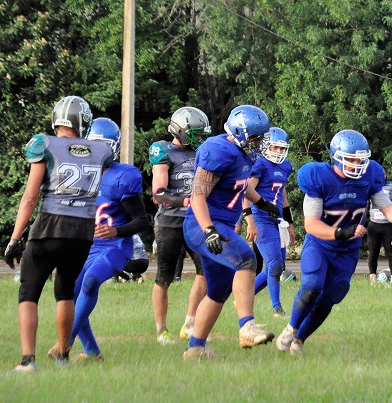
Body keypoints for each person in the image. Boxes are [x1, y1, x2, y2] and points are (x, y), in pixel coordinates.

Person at [275, 130, 392, 355]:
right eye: (352, 159)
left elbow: (387, 208)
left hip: (347, 251)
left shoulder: (369, 176)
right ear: (336, 157)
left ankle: (300, 339)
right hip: (321, 245)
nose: (357, 165)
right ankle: (291, 327)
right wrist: (341, 233)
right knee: (312, 285)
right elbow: (312, 225)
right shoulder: (318, 177)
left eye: (361, 160)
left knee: (333, 295)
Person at [5, 96, 112, 373]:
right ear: (83, 121)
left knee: (29, 292)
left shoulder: (45, 144)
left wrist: (15, 238)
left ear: (57, 120)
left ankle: (28, 360)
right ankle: (63, 355)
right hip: (82, 232)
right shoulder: (101, 150)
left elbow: (30, 198)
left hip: (50, 226)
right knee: (65, 292)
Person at [181, 105, 281, 360]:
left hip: (218, 224)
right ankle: (247, 327)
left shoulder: (242, 153)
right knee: (247, 259)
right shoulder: (219, 150)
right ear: (240, 132)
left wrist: (260, 203)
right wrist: (209, 230)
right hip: (203, 224)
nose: (259, 143)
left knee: (218, 290)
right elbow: (198, 195)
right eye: (256, 137)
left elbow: (240, 184)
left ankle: (195, 348)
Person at [54, 118, 149, 361]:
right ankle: (93, 353)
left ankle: (64, 346)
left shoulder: (123, 176)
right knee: (71, 294)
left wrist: (117, 231)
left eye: (104, 146)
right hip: (87, 244)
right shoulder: (80, 173)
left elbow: (142, 220)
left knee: (91, 281)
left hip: (116, 245)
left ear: (113, 147)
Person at [149, 106, 211, 344]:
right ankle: (161, 330)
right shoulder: (164, 151)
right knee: (163, 277)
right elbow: (159, 194)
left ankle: (190, 322)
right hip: (170, 221)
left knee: (205, 271)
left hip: (195, 221)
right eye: (194, 132)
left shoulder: (202, 152)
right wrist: (186, 200)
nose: (199, 137)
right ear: (180, 130)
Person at [244, 127, 296, 318]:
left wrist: (290, 223)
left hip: (278, 220)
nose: (279, 152)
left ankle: (242, 297)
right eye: (275, 148)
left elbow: (282, 194)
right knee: (274, 264)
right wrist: (249, 220)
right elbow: (245, 192)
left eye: (282, 149)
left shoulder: (285, 166)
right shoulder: (260, 165)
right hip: (261, 218)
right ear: (266, 146)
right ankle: (276, 308)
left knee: (275, 266)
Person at [367, 168, 392, 284]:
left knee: (391, 252)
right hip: (374, 224)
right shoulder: (370, 185)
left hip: (389, 225)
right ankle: (372, 278)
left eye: (383, 174)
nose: (381, 176)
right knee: (373, 252)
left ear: (386, 174)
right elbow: (365, 205)